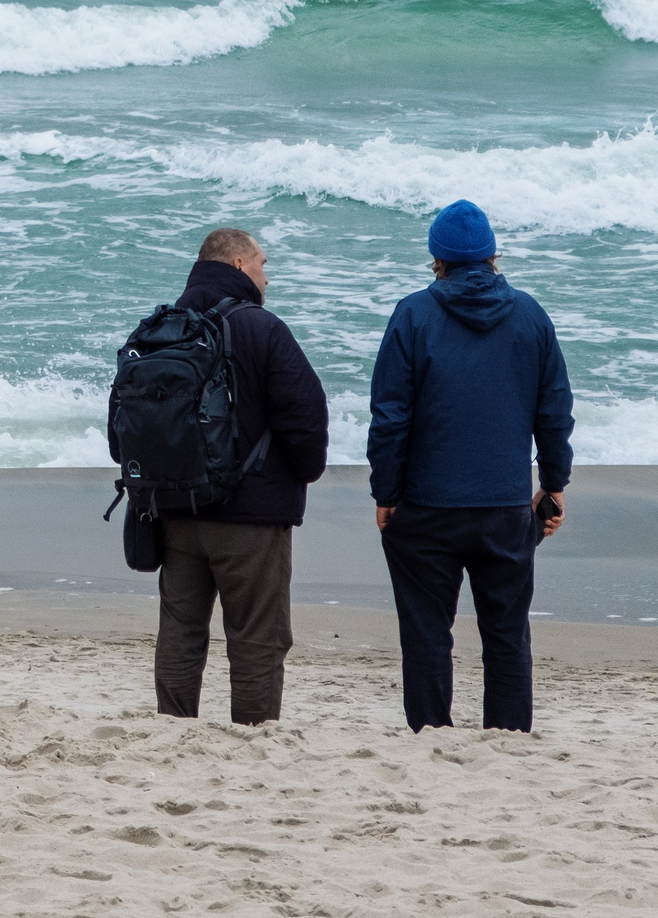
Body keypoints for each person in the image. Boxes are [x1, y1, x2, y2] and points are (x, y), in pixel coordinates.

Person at [367, 200, 573, 733]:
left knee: (427, 633)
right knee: (506, 634)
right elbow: (554, 412)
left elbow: (390, 417)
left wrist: (385, 493)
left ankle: (431, 736)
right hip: (504, 507)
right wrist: (552, 485)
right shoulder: (530, 315)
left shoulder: (413, 314)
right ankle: (506, 738)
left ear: (437, 258)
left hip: (426, 509)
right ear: (491, 255)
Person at [152, 228, 331, 725]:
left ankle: (172, 728)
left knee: (180, 632)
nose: (266, 277)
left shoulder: (161, 327)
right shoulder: (262, 328)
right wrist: (301, 475)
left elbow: (124, 423)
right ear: (236, 264)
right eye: (261, 264)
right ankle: (252, 740)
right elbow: (307, 415)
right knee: (257, 636)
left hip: (175, 512)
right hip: (251, 518)